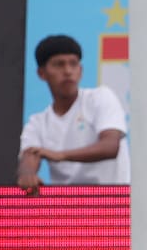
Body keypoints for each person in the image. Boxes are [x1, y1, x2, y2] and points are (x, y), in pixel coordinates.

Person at [18, 34, 129, 193]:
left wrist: (60, 155)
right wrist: (27, 174)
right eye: (59, 65)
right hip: (69, 209)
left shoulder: (100, 97)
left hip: (113, 204)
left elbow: (110, 146)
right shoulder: (37, 122)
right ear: (42, 74)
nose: (68, 71)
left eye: (73, 64)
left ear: (81, 70)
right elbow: (29, 156)